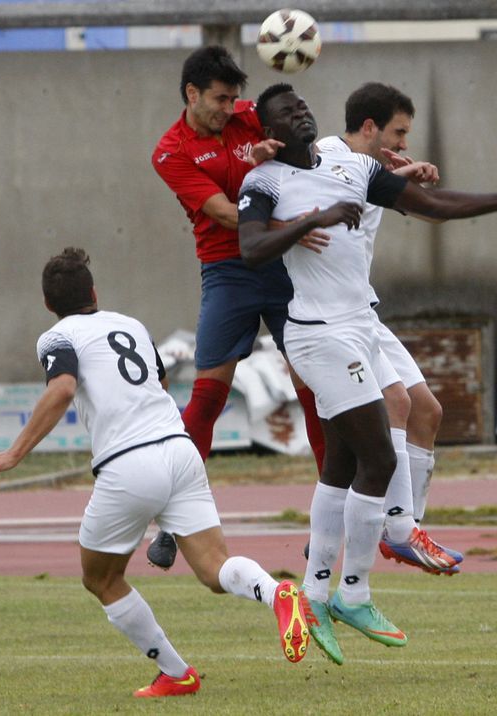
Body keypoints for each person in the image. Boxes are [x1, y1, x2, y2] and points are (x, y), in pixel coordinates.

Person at [237, 83, 497, 664]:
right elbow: (251, 247)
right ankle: (355, 591)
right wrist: (312, 220)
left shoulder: (356, 167)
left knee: (340, 464)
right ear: (270, 132)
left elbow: (432, 205)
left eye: (302, 105)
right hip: (318, 334)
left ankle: (313, 594)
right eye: (286, 112)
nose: (301, 113)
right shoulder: (264, 182)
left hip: (361, 324)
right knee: (380, 457)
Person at [0, 247, 310, 698]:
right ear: (94, 292)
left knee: (101, 578)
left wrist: (13, 453)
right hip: (179, 449)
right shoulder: (129, 324)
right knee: (214, 569)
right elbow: (161, 382)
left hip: (130, 464)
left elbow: (63, 387)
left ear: (48, 305)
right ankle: (276, 592)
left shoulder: (55, 337)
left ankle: (176, 673)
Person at [149, 45, 327, 570]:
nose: (231, 108)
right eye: (220, 99)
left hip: (283, 265)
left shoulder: (252, 116)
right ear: (191, 94)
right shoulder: (170, 151)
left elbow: (314, 146)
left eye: (235, 98)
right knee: (206, 397)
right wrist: (294, 226)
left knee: (314, 387)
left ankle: (329, 520)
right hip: (228, 270)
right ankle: (173, 522)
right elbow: (227, 214)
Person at [315, 82, 461, 576]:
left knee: (428, 410)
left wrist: (410, 180)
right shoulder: (326, 153)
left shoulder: (374, 168)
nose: (404, 143)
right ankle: (390, 529)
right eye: (398, 133)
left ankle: (409, 527)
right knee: (393, 407)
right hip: (327, 318)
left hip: (362, 310)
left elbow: (427, 212)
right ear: (370, 127)